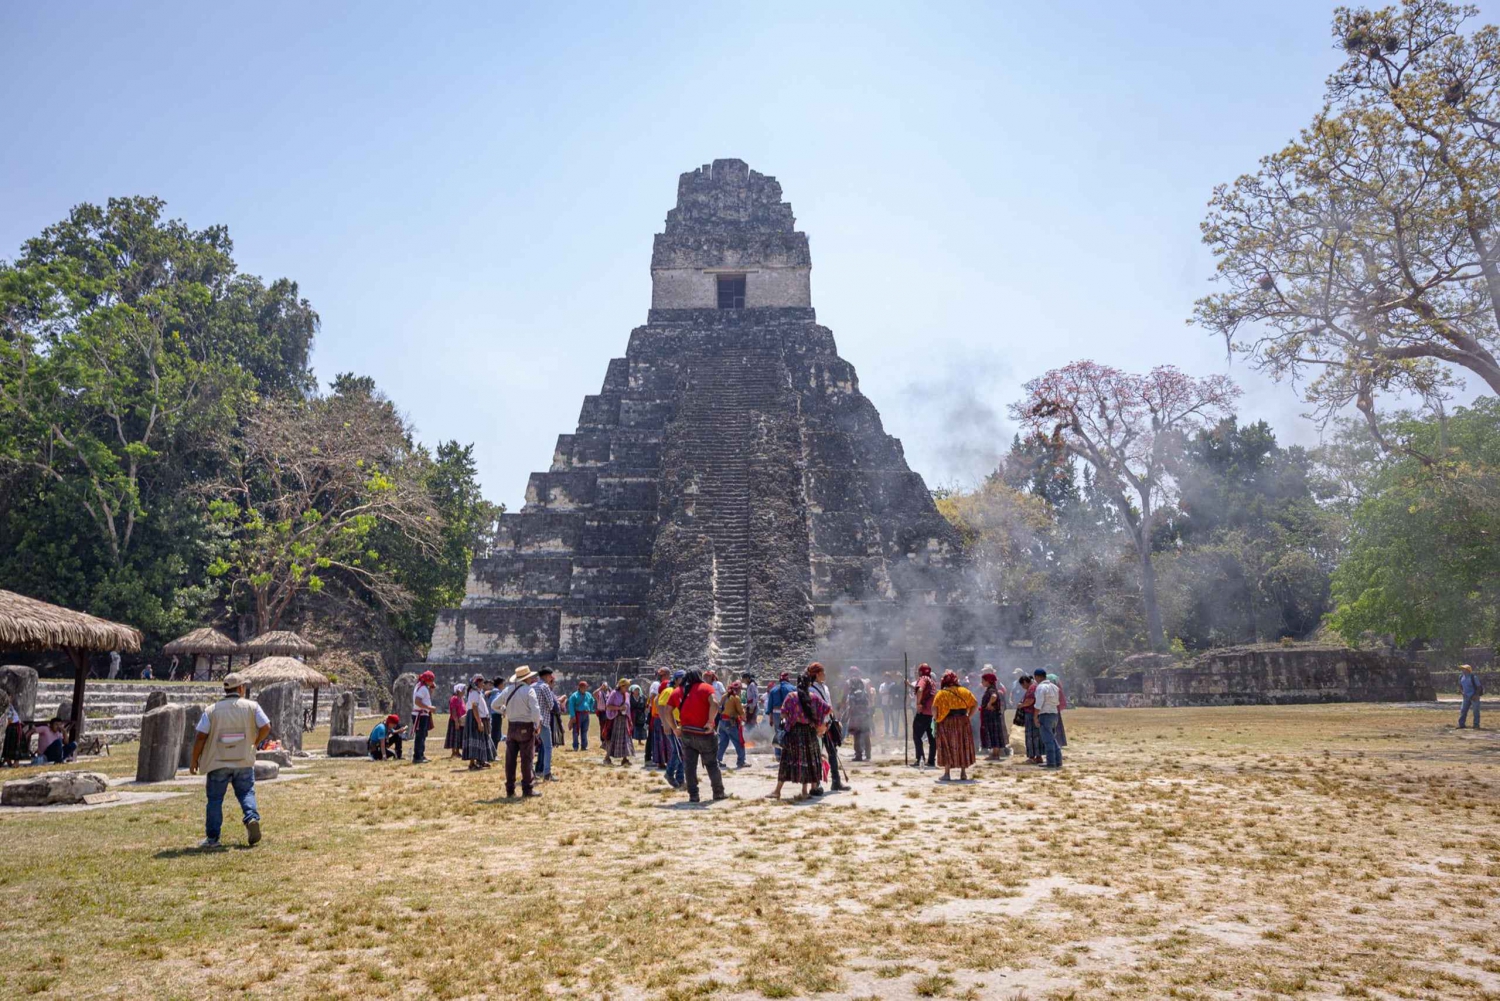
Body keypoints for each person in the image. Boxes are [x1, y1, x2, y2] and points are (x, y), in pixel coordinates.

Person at [190, 672, 271, 848]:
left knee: (215, 800)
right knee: (246, 792)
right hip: (243, 760)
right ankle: (251, 818)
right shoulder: (252, 706)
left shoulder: (211, 710)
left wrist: (194, 760)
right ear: (241, 688)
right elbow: (266, 726)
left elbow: (200, 737)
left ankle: (212, 839)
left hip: (218, 761)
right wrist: (255, 741)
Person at [770, 672, 829, 800]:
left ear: (797, 683)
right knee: (808, 761)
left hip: (794, 734)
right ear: (809, 684)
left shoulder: (791, 697)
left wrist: (793, 717)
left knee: (786, 762)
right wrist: (818, 723)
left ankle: (777, 791)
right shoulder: (813, 697)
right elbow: (827, 709)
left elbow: (783, 714)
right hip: (810, 733)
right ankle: (804, 791)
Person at [669, 669, 724, 803]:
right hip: (704, 733)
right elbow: (715, 704)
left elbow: (666, 710)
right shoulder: (706, 688)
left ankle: (693, 795)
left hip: (687, 733)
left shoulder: (678, 691)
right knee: (711, 764)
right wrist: (710, 722)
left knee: (690, 766)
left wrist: (674, 728)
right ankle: (718, 793)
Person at [498, 666, 542, 798]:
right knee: (526, 760)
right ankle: (527, 789)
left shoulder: (507, 690)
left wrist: (504, 711)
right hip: (526, 726)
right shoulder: (529, 691)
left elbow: (494, 704)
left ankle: (510, 789)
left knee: (510, 760)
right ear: (527, 678)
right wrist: (537, 725)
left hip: (512, 726)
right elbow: (535, 710)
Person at [932, 671, 978, 781]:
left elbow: (934, 708)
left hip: (946, 722)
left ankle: (947, 774)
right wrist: (969, 717)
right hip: (963, 721)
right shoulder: (964, 691)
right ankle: (963, 773)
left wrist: (936, 718)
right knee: (963, 745)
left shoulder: (941, 693)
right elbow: (975, 704)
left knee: (947, 745)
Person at [658, 670, 686, 788]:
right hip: (672, 724)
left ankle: (680, 779)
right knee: (678, 751)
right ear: (675, 679)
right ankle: (669, 773)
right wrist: (666, 723)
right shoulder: (669, 691)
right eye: (681, 678)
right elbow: (660, 706)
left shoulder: (679, 691)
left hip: (680, 725)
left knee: (682, 752)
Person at [532, 667, 561, 780]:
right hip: (543, 721)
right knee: (548, 747)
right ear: (547, 676)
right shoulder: (545, 687)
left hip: (532, 721)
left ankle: (531, 772)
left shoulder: (532, 686)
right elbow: (551, 704)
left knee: (530, 748)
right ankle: (547, 773)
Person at [460, 675, 494, 770]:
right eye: (481, 682)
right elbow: (474, 708)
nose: (483, 684)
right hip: (475, 718)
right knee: (474, 739)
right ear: (477, 683)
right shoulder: (474, 693)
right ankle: (472, 763)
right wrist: (479, 722)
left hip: (479, 717)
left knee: (481, 740)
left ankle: (481, 760)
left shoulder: (478, 692)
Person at [1032, 669, 1062, 768]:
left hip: (1045, 714)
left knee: (1047, 740)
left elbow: (1038, 704)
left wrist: (1035, 717)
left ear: (1037, 677)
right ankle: (1058, 761)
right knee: (1053, 739)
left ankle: (1051, 762)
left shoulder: (1041, 687)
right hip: (1054, 714)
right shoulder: (1054, 687)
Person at [842, 669, 874, 762]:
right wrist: (870, 708)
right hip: (865, 711)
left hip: (854, 712)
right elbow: (870, 695)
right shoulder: (866, 682)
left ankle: (858, 755)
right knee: (866, 733)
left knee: (856, 734)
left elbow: (844, 696)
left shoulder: (848, 683)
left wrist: (842, 708)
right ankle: (868, 754)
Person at [979, 667, 1009, 760]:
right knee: (994, 733)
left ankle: (995, 754)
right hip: (993, 716)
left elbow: (994, 696)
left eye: (983, 681)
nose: (982, 682)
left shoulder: (991, 689)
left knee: (993, 734)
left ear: (988, 681)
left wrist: (989, 703)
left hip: (992, 716)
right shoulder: (991, 688)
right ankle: (995, 753)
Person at [911, 663, 938, 768]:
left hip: (923, 713)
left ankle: (920, 758)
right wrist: (909, 684)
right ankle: (931, 760)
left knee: (917, 736)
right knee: (932, 739)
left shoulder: (923, 679)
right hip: (932, 713)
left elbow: (920, 690)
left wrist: (918, 704)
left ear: (921, 672)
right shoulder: (931, 681)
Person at [717, 680, 747, 769]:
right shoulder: (736, 698)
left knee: (723, 743)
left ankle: (717, 760)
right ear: (738, 689)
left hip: (722, 722)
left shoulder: (724, 696)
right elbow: (741, 712)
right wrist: (744, 717)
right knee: (739, 742)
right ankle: (741, 762)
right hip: (731, 723)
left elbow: (719, 709)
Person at [603, 678, 634, 764]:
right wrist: (619, 708)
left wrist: (629, 719)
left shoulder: (627, 695)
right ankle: (607, 758)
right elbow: (608, 706)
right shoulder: (614, 693)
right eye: (626, 687)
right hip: (615, 719)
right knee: (613, 738)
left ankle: (625, 759)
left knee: (626, 739)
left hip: (624, 720)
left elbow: (628, 708)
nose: (628, 688)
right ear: (621, 686)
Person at [645, 666, 670, 770]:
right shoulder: (656, 685)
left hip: (659, 713)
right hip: (656, 714)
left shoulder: (661, 685)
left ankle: (659, 759)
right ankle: (651, 759)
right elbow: (653, 699)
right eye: (667, 675)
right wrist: (654, 711)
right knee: (655, 738)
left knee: (659, 739)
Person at [767, 672, 794, 762]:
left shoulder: (773, 690)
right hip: (789, 713)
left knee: (778, 732)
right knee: (789, 732)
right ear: (787, 678)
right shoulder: (792, 688)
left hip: (776, 713)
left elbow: (769, 706)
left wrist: (771, 718)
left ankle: (778, 755)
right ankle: (789, 754)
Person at [411, 670, 437, 764]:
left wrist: (431, 689)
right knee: (420, 736)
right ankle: (417, 756)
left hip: (423, 714)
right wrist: (429, 707)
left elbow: (426, 698)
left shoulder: (422, 687)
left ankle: (421, 754)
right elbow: (418, 702)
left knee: (423, 735)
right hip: (420, 715)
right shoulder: (422, 688)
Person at [1017, 675, 1042, 763]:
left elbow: (1030, 701)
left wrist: (1022, 705)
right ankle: (1038, 756)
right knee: (1036, 736)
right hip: (1035, 714)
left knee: (1030, 736)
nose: (1023, 687)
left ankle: (1032, 757)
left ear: (1024, 682)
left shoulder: (1032, 688)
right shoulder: (1035, 686)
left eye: (1022, 685)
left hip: (1031, 714)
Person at [567, 680, 595, 751]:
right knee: (576, 731)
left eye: (586, 687)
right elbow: (571, 706)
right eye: (584, 687)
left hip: (586, 715)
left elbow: (592, 701)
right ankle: (575, 746)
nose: (585, 688)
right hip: (578, 714)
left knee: (584, 731)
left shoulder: (588, 694)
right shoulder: (574, 695)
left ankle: (584, 746)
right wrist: (573, 716)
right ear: (580, 687)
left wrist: (590, 709)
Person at [445, 682, 467, 759]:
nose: (464, 691)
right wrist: (456, 721)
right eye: (463, 690)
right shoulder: (454, 698)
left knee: (459, 736)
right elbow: (453, 710)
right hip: (455, 720)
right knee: (454, 736)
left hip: (461, 720)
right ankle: (454, 752)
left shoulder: (461, 699)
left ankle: (457, 752)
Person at [1459, 664, 1484, 729]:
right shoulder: (1461, 677)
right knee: (1463, 710)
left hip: (1474, 697)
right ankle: (1461, 724)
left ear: (1468, 670)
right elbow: (1460, 686)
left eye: (1463, 669)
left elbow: (1479, 687)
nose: (1462, 670)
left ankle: (1476, 725)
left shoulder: (1473, 677)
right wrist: (1462, 692)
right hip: (1466, 697)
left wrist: (1476, 695)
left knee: (1476, 711)